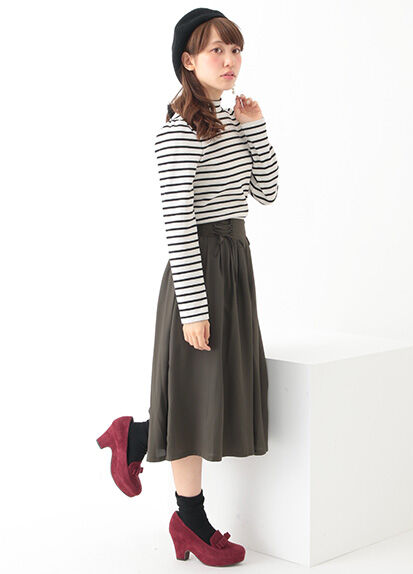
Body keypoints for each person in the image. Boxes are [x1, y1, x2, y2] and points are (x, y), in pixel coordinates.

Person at [96, 7, 279, 566]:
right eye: (216, 50)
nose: (229, 60)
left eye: (235, 49)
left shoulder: (232, 120)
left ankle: (135, 438)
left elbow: (267, 192)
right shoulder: (178, 131)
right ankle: (190, 520)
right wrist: (194, 309)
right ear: (188, 61)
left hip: (234, 263)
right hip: (198, 270)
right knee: (197, 396)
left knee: (215, 393)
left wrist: (255, 126)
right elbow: (178, 224)